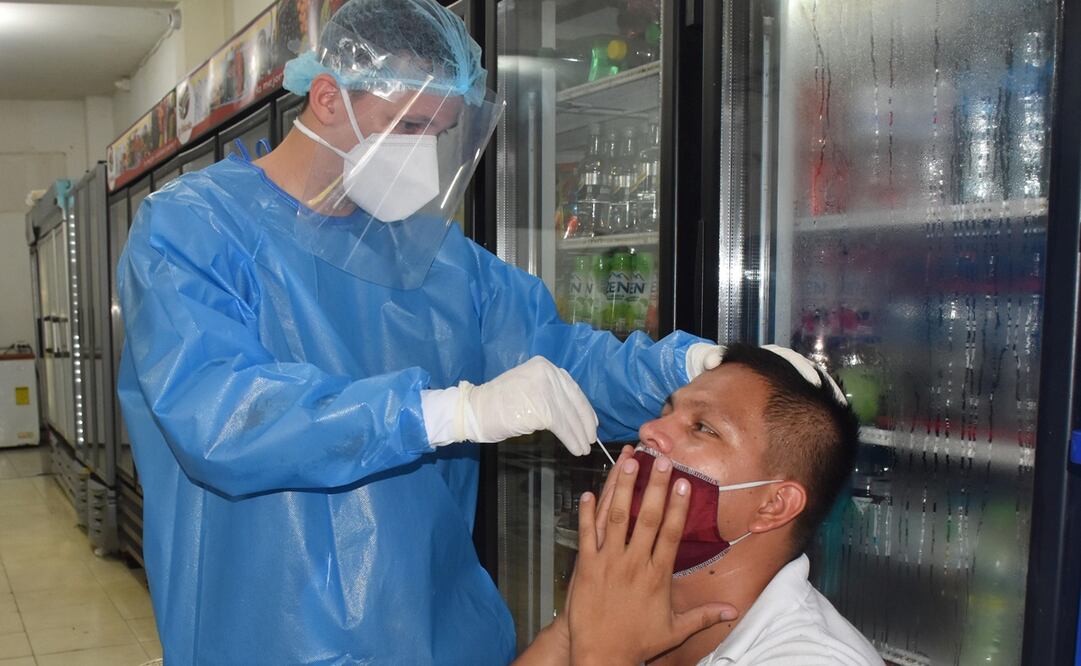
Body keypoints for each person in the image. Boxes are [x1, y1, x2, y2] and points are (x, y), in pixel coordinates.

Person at [115, 0, 724, 663]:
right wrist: (445, 413)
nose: (423, 157)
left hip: (436, 630)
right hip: (266, 632)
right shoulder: (194, 228)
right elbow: (221, 415)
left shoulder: (436, 259)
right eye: (407, 126)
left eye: (441, 133)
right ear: (327, 97)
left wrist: (690, 370)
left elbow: (558, 359)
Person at [518, 343, 883, 665]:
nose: (648, 431)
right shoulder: (624, 609)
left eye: (703, 428)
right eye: (665, 413)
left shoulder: (816, 658)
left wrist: (604, 654)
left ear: (774, 504)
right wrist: (573, 628)